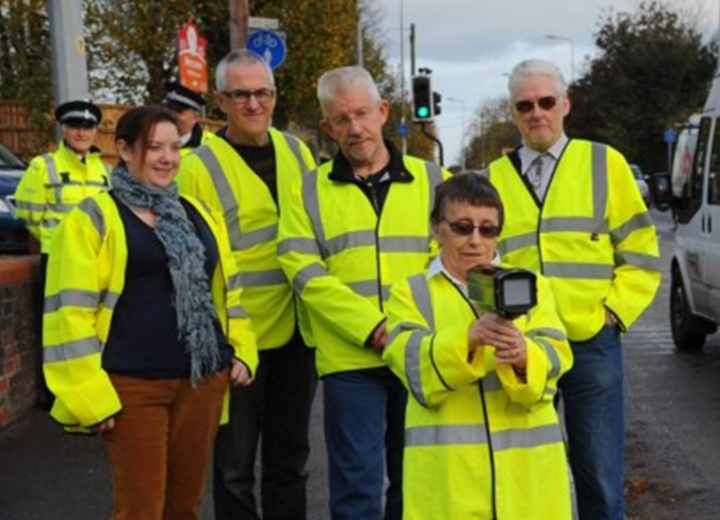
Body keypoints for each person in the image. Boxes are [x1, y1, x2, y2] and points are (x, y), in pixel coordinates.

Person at [42, 106, 258, 520]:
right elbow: (70, 314)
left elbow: (230, 294)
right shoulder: (93, 218)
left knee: (185, 508)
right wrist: (89, 394)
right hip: (132, 388)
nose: (167, 158)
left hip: (203, 380)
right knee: (141, 509)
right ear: (123, 149)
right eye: (153, 147)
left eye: (174, 147)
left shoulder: (199, 213)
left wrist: (243, 352)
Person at [488, 59, 661, 520]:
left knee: (599, 479)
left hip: (590, 344)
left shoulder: (605, 163)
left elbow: (641, 252)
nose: (536, 112)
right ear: (513, 113)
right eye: (525, 105)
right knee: (521, 474)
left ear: (565, 105)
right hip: (522, 347)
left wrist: (613, 314)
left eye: (546, 101)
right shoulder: (494, 178)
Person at [277, 66, 450, 520]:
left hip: (417, 352)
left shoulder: (434, 180)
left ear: (383, 111)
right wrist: (370, 327)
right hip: (350, 360)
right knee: (356, 487)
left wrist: (408, 329)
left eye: (361, 114)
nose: (354, 128)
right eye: (341, 119)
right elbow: (302, 269)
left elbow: (451, 260)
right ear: (327, 127)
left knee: (414, 479)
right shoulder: (307, 191)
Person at [175, 49, 318, 520]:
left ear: (275, 96)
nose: (253, 103)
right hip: (239, 342)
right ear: (220, 100)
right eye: (241, 94)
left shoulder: (298, 151)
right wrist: (218, 340)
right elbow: (190, 263)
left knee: (290, 460)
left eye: (262, 93)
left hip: (299, 333)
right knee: (234, 467)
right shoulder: (197, 166)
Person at [382, 172, 573, 520]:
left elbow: (555, 363)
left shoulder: (533, 287)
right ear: (436, 228)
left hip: (528, 486)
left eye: (488, 229)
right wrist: (469, 338)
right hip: (448, 490)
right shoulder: (410, 293)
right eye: (462, 227)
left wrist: (522, 357)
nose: (475, 240)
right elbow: (415, 372)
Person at [14, 99, 111, 407]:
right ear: (64, 129)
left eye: (87, 127)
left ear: (95, 131)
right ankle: (53, 394)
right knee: (57, 326)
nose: (81, 133)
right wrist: (55, 241)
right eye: (74, 126)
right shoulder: (44, 166)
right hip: (58, 261)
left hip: (96, 260)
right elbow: (28, 212)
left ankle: (93, 384)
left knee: (94, 322)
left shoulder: (103, 169)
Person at [163, 82, 214, 156]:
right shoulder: (151, 139)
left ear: (195, 117)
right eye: (168, 108)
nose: (171, 115)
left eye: (178, 110)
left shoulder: (211, 145)